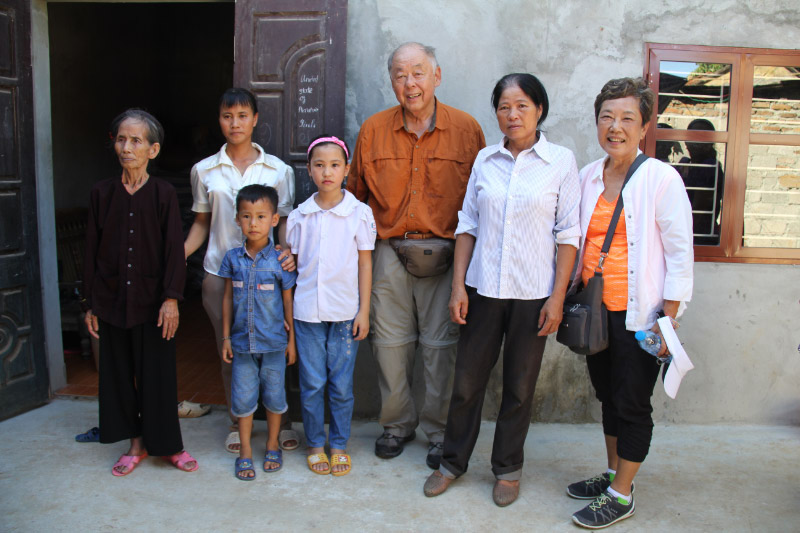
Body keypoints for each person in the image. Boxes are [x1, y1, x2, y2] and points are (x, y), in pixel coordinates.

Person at [423, 73, 580, 506]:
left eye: (522, 106)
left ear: (540, 110)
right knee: (467, 382)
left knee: (519, 386)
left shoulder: (561, 162)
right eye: (504, 106)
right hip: (484, 289)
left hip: (534, 294)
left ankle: (508, 469)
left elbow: (568, 233)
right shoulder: (484, 160)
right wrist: (459, 286)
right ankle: (452, 463)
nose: (512, 115)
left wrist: (557, 296)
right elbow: (468, 225)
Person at [347, 42, 485, 469]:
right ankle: (396, 425)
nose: (410, 83)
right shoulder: (372, 130)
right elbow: (354, 198)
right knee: (388, 344)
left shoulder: (467, 130)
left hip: (447, 251)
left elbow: (482, 201)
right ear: (391, 81)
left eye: (418, 73)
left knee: (441, 346)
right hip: (388, 249)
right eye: (400, 75)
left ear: (437, 76)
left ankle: (439, 431)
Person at [567, 77, 693, 529]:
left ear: (644, 126)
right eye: (606, 117)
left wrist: (669, 319)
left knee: (633, 402)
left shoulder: (661, 179)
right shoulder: (586, 176)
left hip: (641, 316)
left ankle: (622, 494)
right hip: (596, 314)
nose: (614, 127)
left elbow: (681, 255)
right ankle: (611, 473)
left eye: (626, 119)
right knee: (607, 397)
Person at [184, 88, 299, 454]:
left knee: (278, 344)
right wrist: (176, 256)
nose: (235, 123)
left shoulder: (278, 170)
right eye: (227, 116)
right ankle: (237, 422)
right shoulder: (203, 170)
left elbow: (285, 223)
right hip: (222, 273)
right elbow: (202, 223)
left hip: (269, 274)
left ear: (255, 119)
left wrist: (288, 254)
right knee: (231, 349)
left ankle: (282, 421)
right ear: (219, 120)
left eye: (242, 115)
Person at [83, 109, 197, 476]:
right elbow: (92, 250)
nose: (126, 147)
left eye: (135, 140)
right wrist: (91, 303)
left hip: (153, 302)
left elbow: (173, 252)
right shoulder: (102, 192)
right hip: (112, 299)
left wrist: (171, 299)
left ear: (153, 150)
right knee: (117, 374)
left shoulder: (163, 193)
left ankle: (170, 445)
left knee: (158, 375)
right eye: (120, 139)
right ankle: (135, 444)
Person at [287, 135, 377, 476]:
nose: (327, 172)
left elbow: (366, 264)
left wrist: (363, 310)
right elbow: (292, 264)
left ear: (347, 169)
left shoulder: (359, 213)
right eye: (320, 165)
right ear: (309, 170)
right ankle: (314, 443)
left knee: (340, 384)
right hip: (307, 314)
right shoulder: (299, 217)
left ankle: (338, 444)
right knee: (312, 383)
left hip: (344, 315)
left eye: (335, 165)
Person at [218, 185, 298, 480]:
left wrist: (292, 342)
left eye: (261, 216)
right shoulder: (232, 259)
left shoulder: (280, 261)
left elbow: (288, 301)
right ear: (237, 219)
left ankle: (273, 445)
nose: (254, 223)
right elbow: (227, 298)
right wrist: (226, 337)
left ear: (274, 220)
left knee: (275, 397)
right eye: (247, 216)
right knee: (243, 399)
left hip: (275, 344)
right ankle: (245, 453)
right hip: (241, 345)